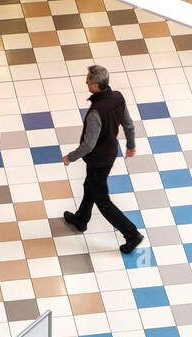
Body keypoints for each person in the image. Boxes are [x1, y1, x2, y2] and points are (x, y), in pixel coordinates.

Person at [62, 65, 142, 256]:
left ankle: (132, 234)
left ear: (96, 86)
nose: (86, 82)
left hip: (98, 159)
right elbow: (128, 125)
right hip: (109, 154)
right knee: (90, 185)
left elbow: (89, 145)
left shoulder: (96, 112)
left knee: (103, 202)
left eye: (88, 80)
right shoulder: (118, 97)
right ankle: (81, 219)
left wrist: (70, 157)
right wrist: (131, 145)